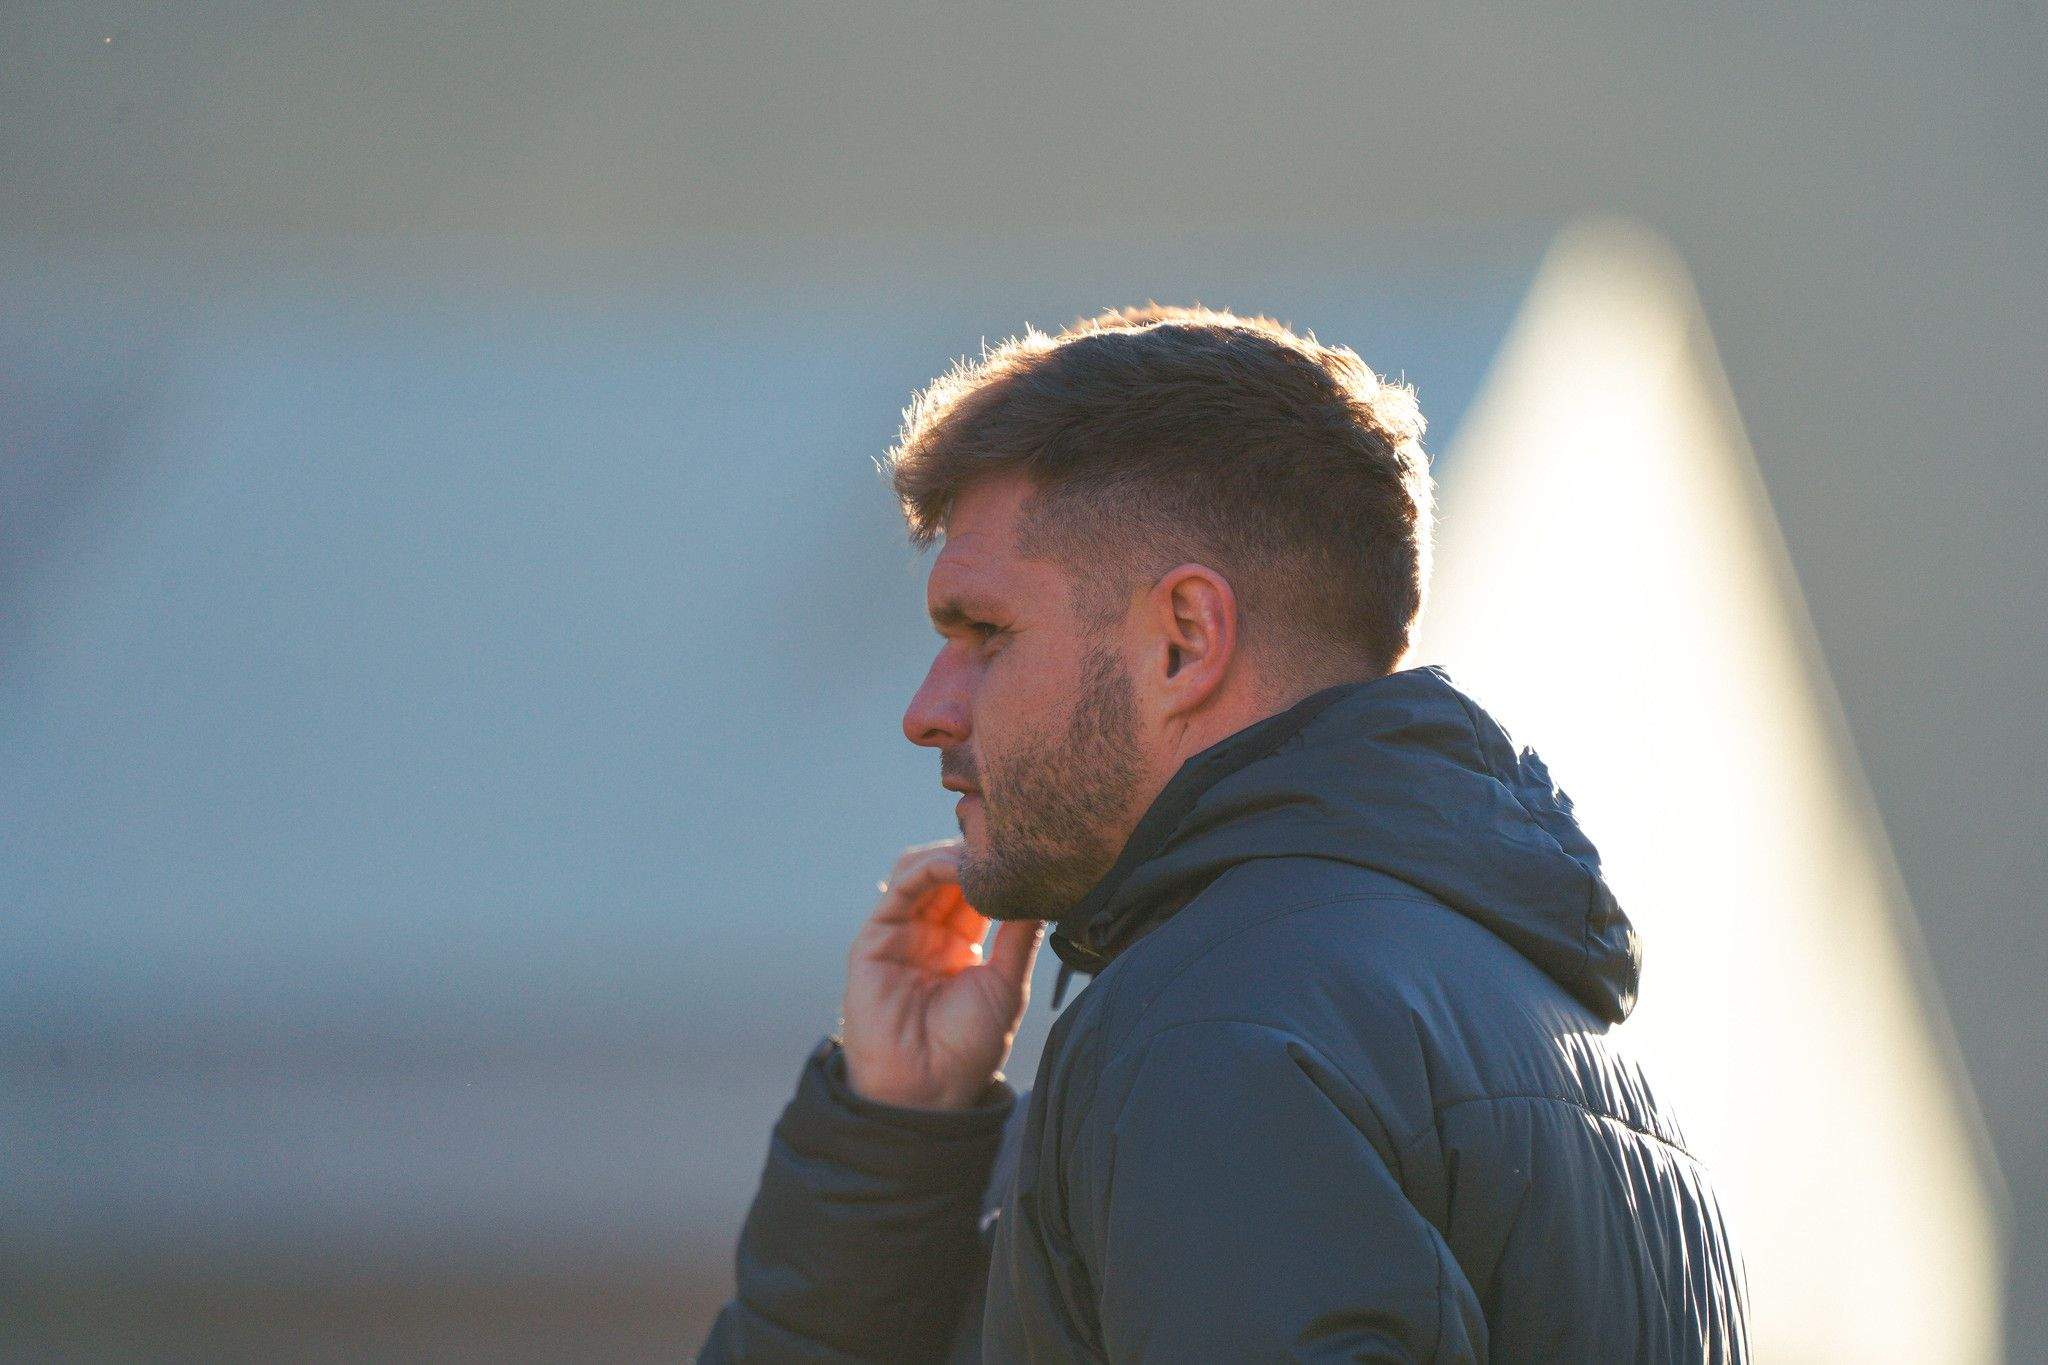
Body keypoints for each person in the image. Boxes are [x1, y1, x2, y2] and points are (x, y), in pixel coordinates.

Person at [699, 305, 1748, 1362]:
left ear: (1184, 640)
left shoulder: (1217, 1029)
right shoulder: (1560, 1038)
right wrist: (896, 1142)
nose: (926, 708)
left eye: (985, 633)